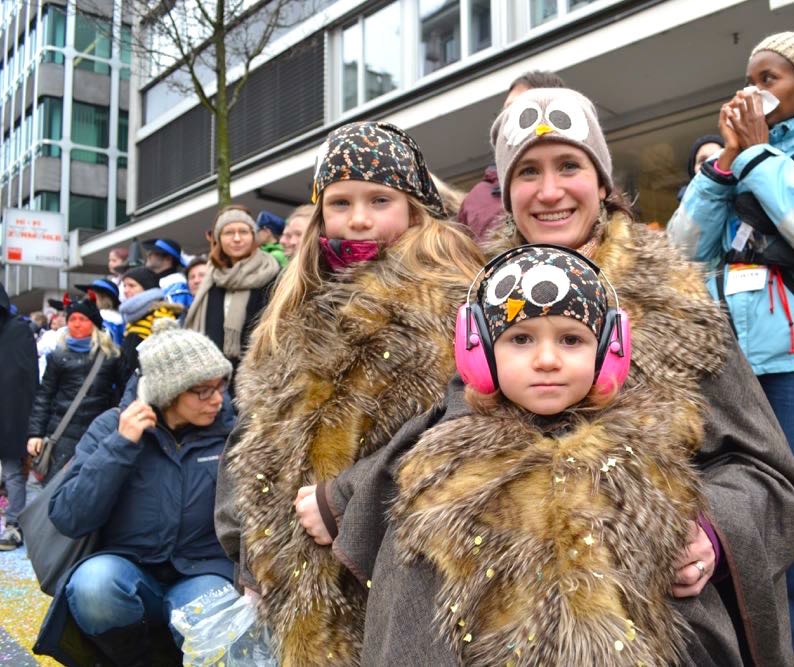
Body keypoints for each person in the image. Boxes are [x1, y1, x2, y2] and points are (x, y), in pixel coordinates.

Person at [323, 88, 794, 666]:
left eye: (569, 166)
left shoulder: (678, 306)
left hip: (644, 616)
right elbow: (420, 437)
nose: (550, 191)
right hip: (479, 619)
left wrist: (710, 531)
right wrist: (340, 495)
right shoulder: (465, 302)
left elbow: (773, 476)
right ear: (506, 194)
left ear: (602, 183)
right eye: (528, 172)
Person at [358, 244, 718, 663]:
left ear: (609, 355)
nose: (547, 360)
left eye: (571, 339)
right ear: (479, 355)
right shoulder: (444, 474)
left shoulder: (644, 462)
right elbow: (411, 628)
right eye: (521, 339)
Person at [214, 122, 484, 664]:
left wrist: (351, 501)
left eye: (379, 199)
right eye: (340, 202)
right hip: (293, 583)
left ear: (414, 209)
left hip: (392, 576)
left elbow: (459, 440)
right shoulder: (293, 314)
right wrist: (249, 555)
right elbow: (252, 446)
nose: (358, 218)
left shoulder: (454, 308)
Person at [668, 25, 794, 665]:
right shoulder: (725, 161)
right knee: (723, 511)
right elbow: (679, 252)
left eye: (769, 79)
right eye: (750, 77)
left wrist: (759, 158)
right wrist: (723, 168)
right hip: (722, 362)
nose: (751, 90)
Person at [34, 323, 236, 665]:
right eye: (202, 390)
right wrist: (120, 446)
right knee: (93, 585)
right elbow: (70, 517)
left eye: (221, 386)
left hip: (205, 570)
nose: (217, 399)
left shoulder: (233, 434)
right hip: (128, 567)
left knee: (215, 616)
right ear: (168, 392)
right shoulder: (112, 427)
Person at [457, 70, 567, 244]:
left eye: (523, 111)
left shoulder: (589, 192)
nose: (549, 194)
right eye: (505, 113)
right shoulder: (476, 199)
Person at [25, 295, 120, 485]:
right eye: (72, 319)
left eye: (82, 319)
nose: (76, 324)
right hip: (61, 434)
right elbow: (45, 396)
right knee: (54, 491)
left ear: (93, 323)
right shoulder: (58, 356)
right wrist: (35, 434)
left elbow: (117, 396)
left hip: (96, 434)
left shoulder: (111, 357)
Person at [184, 205, 281, 377]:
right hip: (213, 376)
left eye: (243, 231)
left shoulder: (271, 273)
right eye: (228, 233)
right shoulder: (212, 278)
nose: (236, 238)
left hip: (259, 376)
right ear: (218, 239)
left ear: (253, 236)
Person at [0, 283, 39, 551]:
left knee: (13, 472)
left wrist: (31, 421)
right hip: (11, 412)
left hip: (11, 413)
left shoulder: (18, 330)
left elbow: (30, 379)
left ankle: (14, 524)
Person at [117, 267, 183, 399]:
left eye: (131, 285)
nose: (125, 290)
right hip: (129, 388)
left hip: (147, 392)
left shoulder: (162, 315)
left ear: (146, 288)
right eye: (124, 285)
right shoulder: (134, 317)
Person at [143, 238, 194, 312]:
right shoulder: (156, 282)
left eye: (153, 253)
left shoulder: (177, 283)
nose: (148, 255)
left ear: (168, 258)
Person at [75, 278, 125, 346]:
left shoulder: (104, 317)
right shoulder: (123, 319)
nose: (87, 298)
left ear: (104, 298)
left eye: (92, 295)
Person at [676, 134, 724, 202]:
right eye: (702, 160)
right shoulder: (685, 209)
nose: (709, 164)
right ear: (693, 171)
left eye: (716, 158)